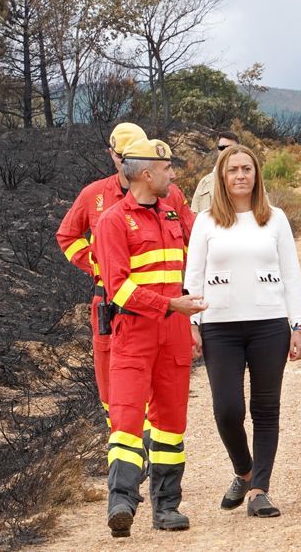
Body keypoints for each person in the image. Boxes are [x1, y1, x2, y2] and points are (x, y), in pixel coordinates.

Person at [185, 145, 301, 519]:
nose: (240, 175)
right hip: (219, 326)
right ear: (221, 178)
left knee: (265, 409)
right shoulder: (206, 221)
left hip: (269, 325)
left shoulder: (275, 219)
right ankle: (243, 470)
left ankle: (259, 490)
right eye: (232, 170)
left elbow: (291, 274)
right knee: (227, 410)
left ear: (257, 175)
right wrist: (192, 321)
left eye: (247, 169)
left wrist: (298, 324)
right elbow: (193, 275)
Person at [92, 138, 207, 537]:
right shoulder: (112, 221)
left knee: (171, 423)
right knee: (125, 420)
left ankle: (167, 507)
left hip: (173, 335)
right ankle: (121, 503)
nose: (173, 174)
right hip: (134, 333)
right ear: (146, 173)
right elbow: (117, 288)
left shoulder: (174, 211)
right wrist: (169, 305)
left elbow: (207, 240)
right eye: (167, 168)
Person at [55, 123, 194, 438]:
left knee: (164, 392)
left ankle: (152, 454)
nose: (123, 161)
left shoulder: (168, 194)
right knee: (116, 390)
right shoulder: (94, 195)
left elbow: (193, 237)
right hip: (112, 303)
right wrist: (96, 263)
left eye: (129, 155)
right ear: (112, 155)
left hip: (163, 307)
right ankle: (126, 452)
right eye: (119, 156)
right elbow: (67, 236)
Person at [191, 130, 240, 212]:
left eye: (230, 148)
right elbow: (194, 216)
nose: (225, 151)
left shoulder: (248, 181)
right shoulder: (204, 183)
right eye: (222, 148)